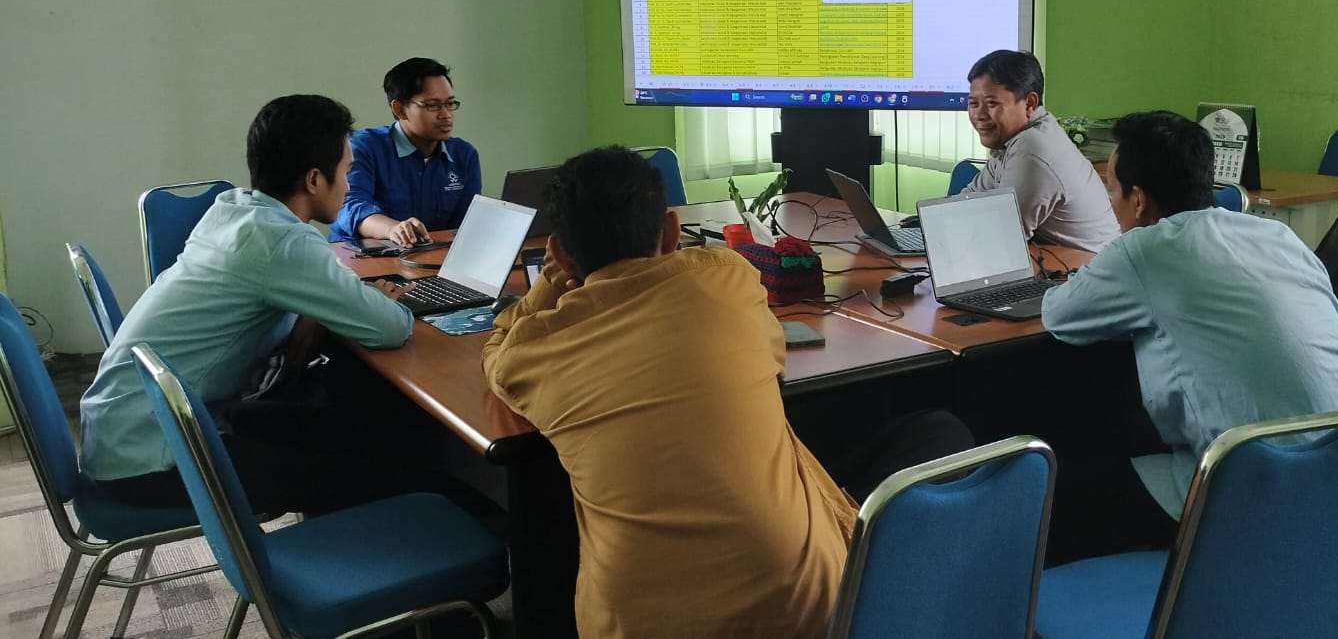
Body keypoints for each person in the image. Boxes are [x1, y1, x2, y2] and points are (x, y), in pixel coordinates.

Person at [482, 146, 859, 638]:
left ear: (559, 252)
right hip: (806, 612)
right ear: (670, 230)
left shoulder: (538, 348)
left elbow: (497, 354)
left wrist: (549, 288)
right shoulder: (729, 278)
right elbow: (774, 357)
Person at [1038, 110, 1338, 563]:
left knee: (1046, 496)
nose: (1111, 204)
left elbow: (1058, 315)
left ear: (1138, 200)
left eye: (1112, 191)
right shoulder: (1277, 235)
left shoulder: (1145, 249)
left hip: (1254, 489)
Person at [80, 95, 420, 515]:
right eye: (347, 172)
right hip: (154, 457)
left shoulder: (233, 210)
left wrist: (328, 304)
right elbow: (392, 328)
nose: (350, 186)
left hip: (130, 431)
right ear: (315, 179)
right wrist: (370, 301)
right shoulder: (282, 241)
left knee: (357, 430)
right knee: (389, 476)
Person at [963, 49, 1119, 252]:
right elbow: (964, 204)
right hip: (1057, 262)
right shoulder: (1013, 140)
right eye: (973, 103)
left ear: (1029, 103)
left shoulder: (1032, 148)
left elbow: (1003, 238)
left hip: (1085, 268)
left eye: (992, 103)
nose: (979, 114)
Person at [329, 57, 481, 247]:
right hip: (362, 259)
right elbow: (349, 207)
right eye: (432, 105)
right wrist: (392, 229)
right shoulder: (363, 147)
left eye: (450, 104)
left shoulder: (464, 155)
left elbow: (466, 225)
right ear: (399, 109)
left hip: (431, 257)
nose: (446, 115)